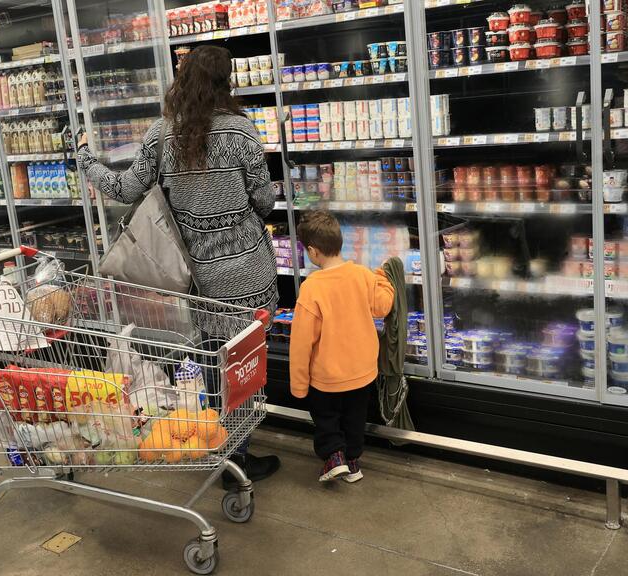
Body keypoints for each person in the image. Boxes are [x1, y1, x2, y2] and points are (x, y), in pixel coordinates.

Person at [76, 45, 281, 483]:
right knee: (244, 364)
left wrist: (86, 162)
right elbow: (264, 201)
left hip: (198, 277)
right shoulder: (243, 133)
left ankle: (216, 444)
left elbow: (126, 189)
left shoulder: (161, 134)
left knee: (211, 361)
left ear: (181, 79)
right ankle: (238, 456)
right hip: (249, 272)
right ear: (227, 83)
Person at [289, 211, 395, 482]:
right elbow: (383, 306)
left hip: (327, 376)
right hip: (362, 372)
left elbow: (302, 343)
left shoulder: (312, 289)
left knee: (327, 419)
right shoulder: (362, 274)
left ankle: (334, 456)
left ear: (312, 252)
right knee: (355, 420)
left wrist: (299, 386)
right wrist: (383, 278)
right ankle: (354, 463)